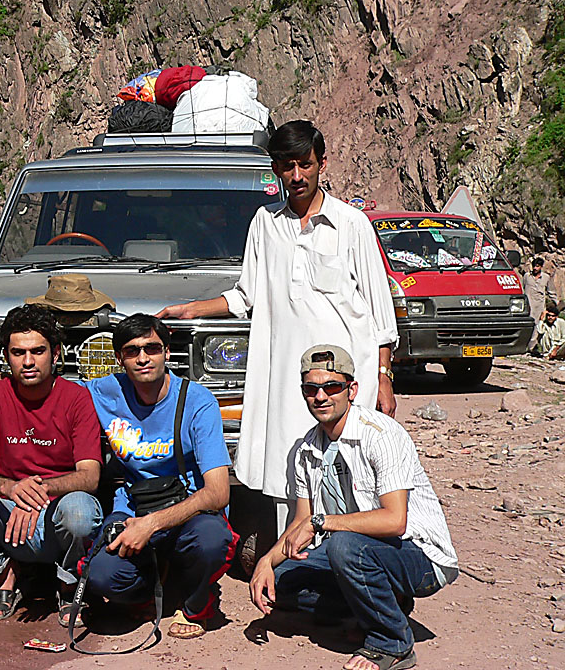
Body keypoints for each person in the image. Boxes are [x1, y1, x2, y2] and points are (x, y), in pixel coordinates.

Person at [157, 120, 399, 535]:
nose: (297, 175)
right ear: (275, 169)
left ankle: (350, 563)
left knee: (351, 466)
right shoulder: (265, 224)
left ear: (322, 163)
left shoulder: (352, 224)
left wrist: (384, 376)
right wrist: (192, 308)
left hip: (345, 377)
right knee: (292, 469)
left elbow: (380, 311)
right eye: (287, 166)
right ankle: (296, 565)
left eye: (305, 164)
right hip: (287, 377)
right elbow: (245, 296)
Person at [250, 344, 458, 670]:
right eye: (311, 388)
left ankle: (391, 643)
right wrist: (265, 562)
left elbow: (395, 521)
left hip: (419, 556)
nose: (321, 396)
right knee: (284, 583)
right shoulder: (307, 447)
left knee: (344, 546)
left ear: (352, 389)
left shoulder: (380, 435)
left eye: (332, 387)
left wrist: (322, 522)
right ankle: (381, 604)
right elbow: (301, 519)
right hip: (357, 550)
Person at [0, 304, 104, 625]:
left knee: (81, 512)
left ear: (55, 354)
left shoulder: (77, 398)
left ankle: (68, 584)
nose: (28, 362)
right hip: (9, 513)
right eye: (18, 353)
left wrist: (38, 492)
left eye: (37, 351)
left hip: (55, 513)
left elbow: (90, 476)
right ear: (6, 356)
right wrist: (13, 488)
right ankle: (5, 577)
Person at [85, 314, 235, 639]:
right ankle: (150, 590)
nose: (142, 358)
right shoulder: (105, 391)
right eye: (132, 350)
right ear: (119, 358)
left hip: (189, 510)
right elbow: (50, 390)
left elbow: (218, 493)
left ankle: (196, 603)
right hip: (133, 507)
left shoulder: (198, 401)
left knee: (212, 542)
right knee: (101, 576)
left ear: (167, 352)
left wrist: (151, 524)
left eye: (152, 348)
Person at [524, 257, 559, 351]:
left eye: (537, 266)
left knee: (537, 327)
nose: (535, 268)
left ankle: (533, 348)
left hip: (539, 307)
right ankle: (524, 347)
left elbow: (551, 291)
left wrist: (556, 305)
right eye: (534, 266)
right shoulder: (527, 276)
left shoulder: (546, 278)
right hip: (528, 306)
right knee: (527, 326)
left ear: (541, 267)